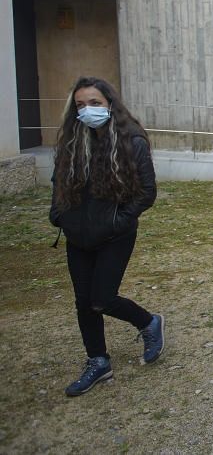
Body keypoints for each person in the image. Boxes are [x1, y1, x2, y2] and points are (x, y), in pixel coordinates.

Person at [49, 77, 163, 396]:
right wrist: (58, 214)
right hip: (78, 236)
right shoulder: (71, 144)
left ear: (110, 104)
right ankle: (98, 361)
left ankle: (148, 322)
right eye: (81, 105)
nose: (88, 110)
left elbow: (147, 192)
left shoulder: (132, 141)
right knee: (84, 302)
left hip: (114, 235)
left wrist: (119, 221)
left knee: (103, 298)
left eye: (95, 103)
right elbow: (57, 182)